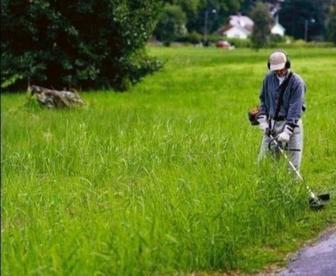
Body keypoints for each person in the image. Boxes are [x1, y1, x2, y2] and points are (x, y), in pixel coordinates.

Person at [257, 50, 306, 171]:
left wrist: (288, 131)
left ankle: (294, 189)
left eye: (281, 68)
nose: (279, 72)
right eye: (275, 69)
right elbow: (263, 100)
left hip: (291, 125)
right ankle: (267, 189)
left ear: (287, 64)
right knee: (263, 162)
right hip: (272, 125)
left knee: (292, 167)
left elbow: (295, 108)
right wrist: (263, 120)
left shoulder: (297, 82)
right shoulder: (268, 79)